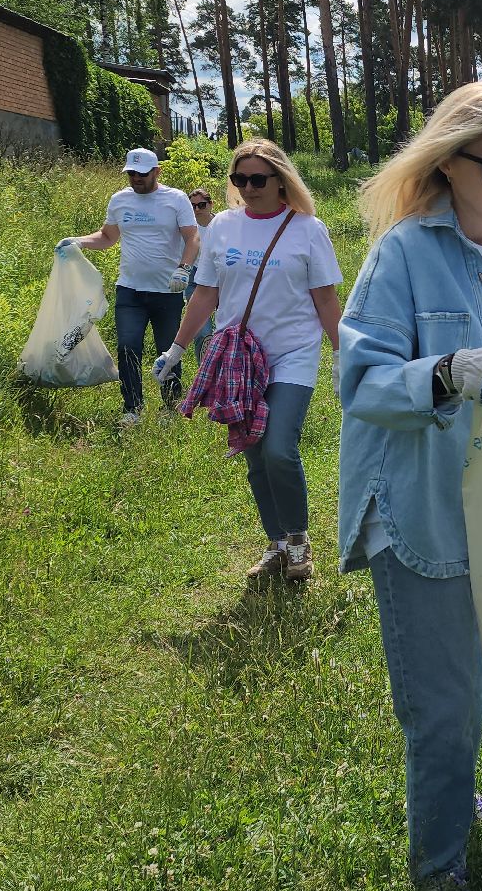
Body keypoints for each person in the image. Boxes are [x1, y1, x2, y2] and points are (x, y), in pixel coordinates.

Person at [334, 80, 482, 891]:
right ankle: (438, 870)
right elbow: (360, 381)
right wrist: (446, 373)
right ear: (449, 162)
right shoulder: (402, 253)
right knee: (443, 702)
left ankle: (456, 800)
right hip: (420, 503)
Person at [152, 139, 343, 583]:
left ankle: (298, 540)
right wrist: (177, 349)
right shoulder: (222, 226)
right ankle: (277, 543)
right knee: (254, 452)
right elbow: (206, 293)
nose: (249, 188)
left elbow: (325, 298)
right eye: (240, 179)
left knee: (278, 448)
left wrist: (341, 354)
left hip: (292, 353)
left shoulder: (308, 229)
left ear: (281, 180)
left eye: (258, 179)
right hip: (239, 358)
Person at [58, 147, 199, 424]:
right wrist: (78, 242)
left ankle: (170, 407)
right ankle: (132, 408)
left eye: (142, 173)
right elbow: (107, 237)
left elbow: (192, 237)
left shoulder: (175, 199)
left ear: (157, 171)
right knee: (127, 347)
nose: (136, 178)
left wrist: (184, 269)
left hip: (167, 291)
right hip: (130, 290)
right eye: (131, 173)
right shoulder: (120, 200)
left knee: (168, 350)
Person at [184, 188, 217, 361]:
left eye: (201, 205)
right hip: (195, 280)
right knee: (203, 332)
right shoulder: (187, 229)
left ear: (211, 204)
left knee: (226, 330)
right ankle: (204, 370)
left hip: (221, 280)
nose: (197, 210)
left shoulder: (222, 225)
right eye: (193, 206)